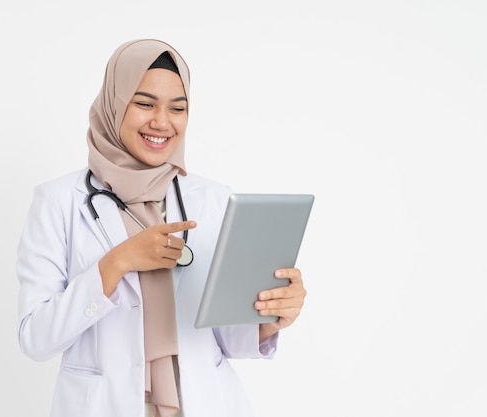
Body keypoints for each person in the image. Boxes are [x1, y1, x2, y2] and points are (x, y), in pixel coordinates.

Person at [16, 38, 307, 417]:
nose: (162, 122)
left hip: (202, 403)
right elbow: (36, 339)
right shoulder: (58, 201)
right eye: (144, 103)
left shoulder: (213, 198)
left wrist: (273, 316)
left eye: (178, 108)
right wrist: (117, 263)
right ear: (114, 104)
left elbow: (229, 339)